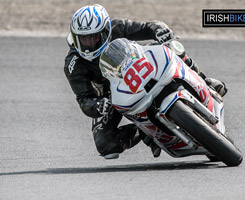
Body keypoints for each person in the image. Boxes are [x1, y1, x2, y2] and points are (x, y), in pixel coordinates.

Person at [64, 4, 227, 159]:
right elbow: (84, 99)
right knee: (106, 144)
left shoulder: (116, 27)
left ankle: (205, 81)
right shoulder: (74, 64)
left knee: (171, 46)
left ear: (106, 30)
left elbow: (146, 27)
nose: (89, 44)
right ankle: (144, 131)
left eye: (93, 37)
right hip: (111, 96)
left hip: (139, 65)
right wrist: (97, 105)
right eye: (83, 39)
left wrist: (160, 30)